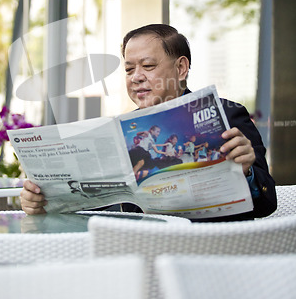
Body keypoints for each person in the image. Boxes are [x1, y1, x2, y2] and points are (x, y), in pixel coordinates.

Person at [20, 23, 277, 221]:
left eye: (148, 66)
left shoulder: (228, 114)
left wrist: (247, 171)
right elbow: (100, 208)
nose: (136, 77)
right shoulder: (122, 129)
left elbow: (268, 203)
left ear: (180, 68)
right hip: (137, 252)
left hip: (209, 251)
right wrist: (44, 203)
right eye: (129, 69)